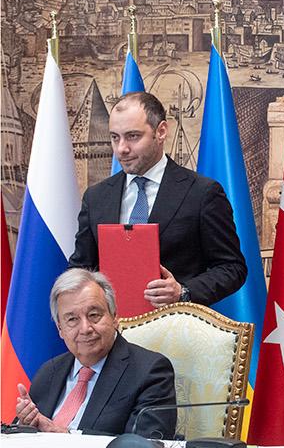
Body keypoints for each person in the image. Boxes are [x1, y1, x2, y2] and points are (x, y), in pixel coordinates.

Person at [67, 92, 246, 308]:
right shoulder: (96, 197)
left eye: (133, 136)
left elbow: (232, 268)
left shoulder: (203, 193)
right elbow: (81, 268)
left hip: (174, 331)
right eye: (115, 137)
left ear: (161, 131)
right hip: (113, 334)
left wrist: (183, 291)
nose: (121, 149)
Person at [13, 269, 177, 437]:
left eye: (94, 315)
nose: (85, 329)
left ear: (114, 317)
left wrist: (66, 436)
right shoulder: (49, 372)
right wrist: (25, 424)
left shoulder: (150, 372)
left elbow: (146, 446)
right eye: (72, 319)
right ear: (60, 329)